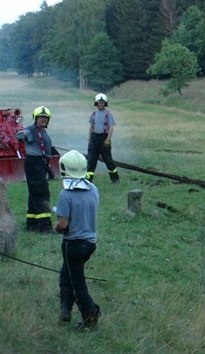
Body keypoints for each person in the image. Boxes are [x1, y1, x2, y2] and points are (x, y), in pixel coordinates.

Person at [54, 150, 101, 330]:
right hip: (90, 243)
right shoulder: (93, 189)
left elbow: (63, 224)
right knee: (67, 273)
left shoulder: (65, 195)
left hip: (73, 244)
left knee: (77, 282)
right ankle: (65, 309)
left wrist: (56, 227)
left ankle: (90, 313)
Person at [16, 106, 54, 233]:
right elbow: (21, 134)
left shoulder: (43, 132)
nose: (43, 119)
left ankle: (32, 224)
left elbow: (44, 152)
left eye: (45, 118)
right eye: (41, 117)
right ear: (35, 118)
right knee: (42, 193)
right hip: (33, 163)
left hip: (41, 165)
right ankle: (45, 227)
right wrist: (21, 136)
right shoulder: (31, 130)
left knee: (34, 194)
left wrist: (48, 168)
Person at [87, 93, 120, 183]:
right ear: (96, 103)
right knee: (91, 161)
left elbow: (111, 127)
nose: (101, 104)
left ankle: (115, 179)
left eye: (102, 102)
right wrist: (89, 139)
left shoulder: (108, 114)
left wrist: (108, 139)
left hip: (104, 139)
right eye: (99, 102)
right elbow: (91, 127)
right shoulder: (93, 114)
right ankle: (88, 181)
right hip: (94, 139)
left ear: (105, 103)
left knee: (108, 161)